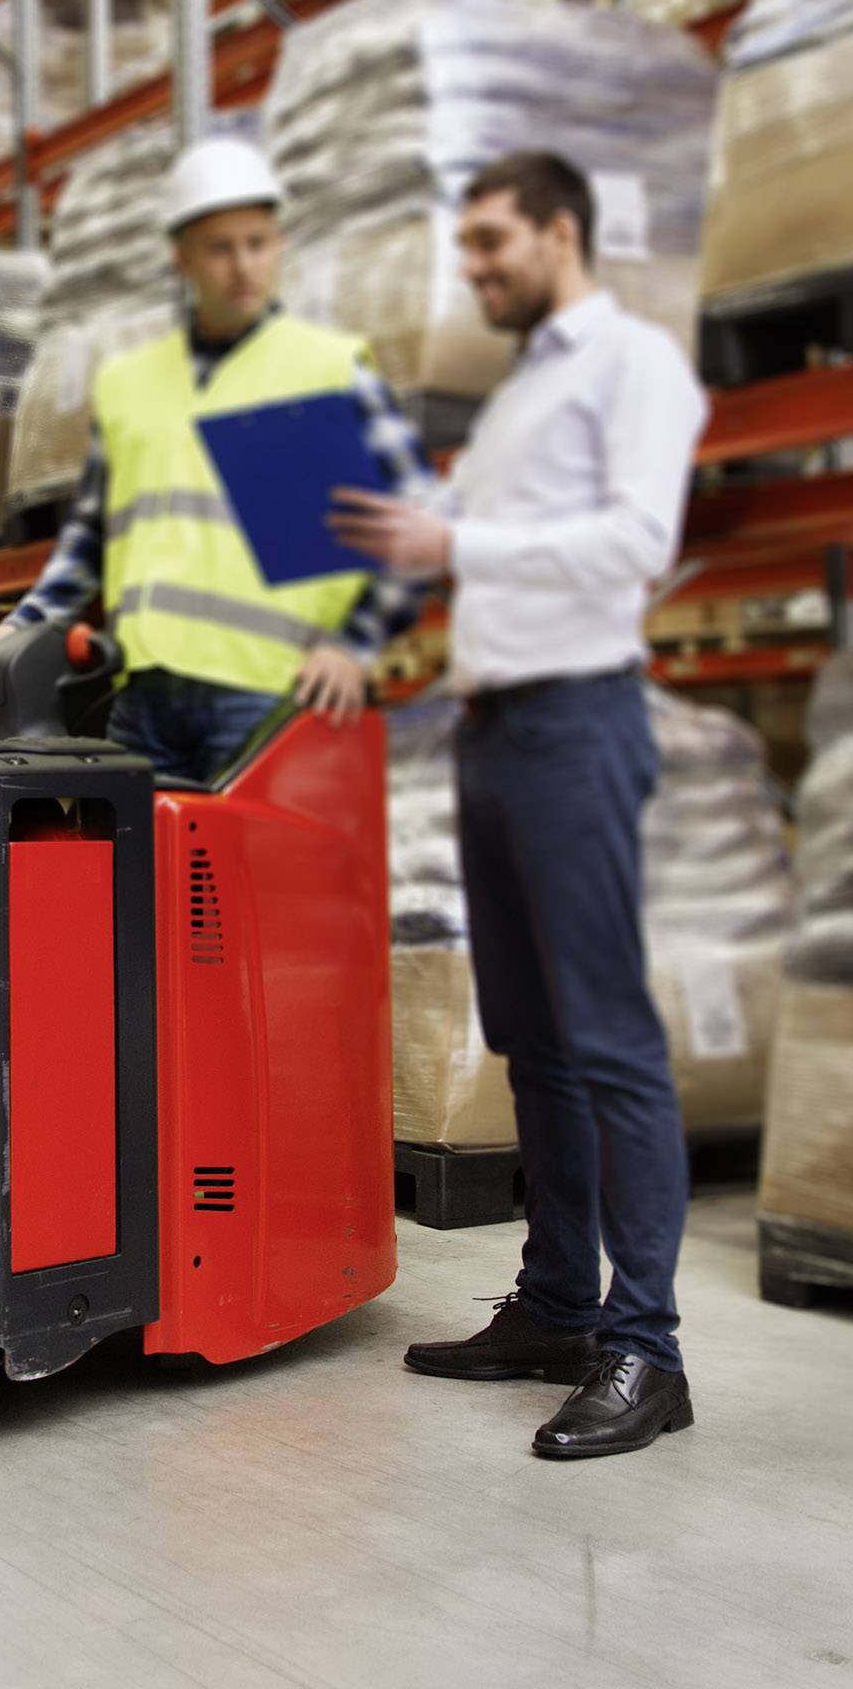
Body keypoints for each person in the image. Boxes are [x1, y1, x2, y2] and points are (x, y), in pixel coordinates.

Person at [330, 151, 709, 1461]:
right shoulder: (517, 400)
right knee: (533, 1041)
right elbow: (457, 530)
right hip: (493, 731)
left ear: (561, 231)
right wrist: (390, 527)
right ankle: (557, 1303)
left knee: (608, 1040)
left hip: (578, 721)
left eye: (492, 242)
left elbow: (635, 543)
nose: (475, 268)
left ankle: (645, 1346)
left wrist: (458, 544)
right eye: (469, 247)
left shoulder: (636, 367)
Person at [0, 137, 438, 783]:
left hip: (264, 693)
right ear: (183, 257)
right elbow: (89, 539)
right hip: (143, 696)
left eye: (258, 244)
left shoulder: (324, 367)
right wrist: (21, 625)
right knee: (146, 879)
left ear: (278, 244)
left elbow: (418, 517)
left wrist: (355, 643)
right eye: (220, 248)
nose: (243, 268)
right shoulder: (130, 384)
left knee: (252, 880)